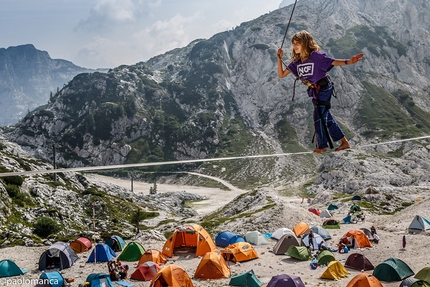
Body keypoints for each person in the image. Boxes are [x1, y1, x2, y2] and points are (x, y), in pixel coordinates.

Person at [277, 30, 363, 154]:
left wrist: (349, 61)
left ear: (306, 43)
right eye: (294, 43)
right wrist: (279, 59)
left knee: (318, 115)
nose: (295, 46)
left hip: (324, 87)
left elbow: (333, 61)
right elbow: (281, 74)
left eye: (298, 43)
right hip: (315, 91)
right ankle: (344, 142)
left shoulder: (316, 56)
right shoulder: (296, 62)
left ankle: (322, 145)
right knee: (325, 116)